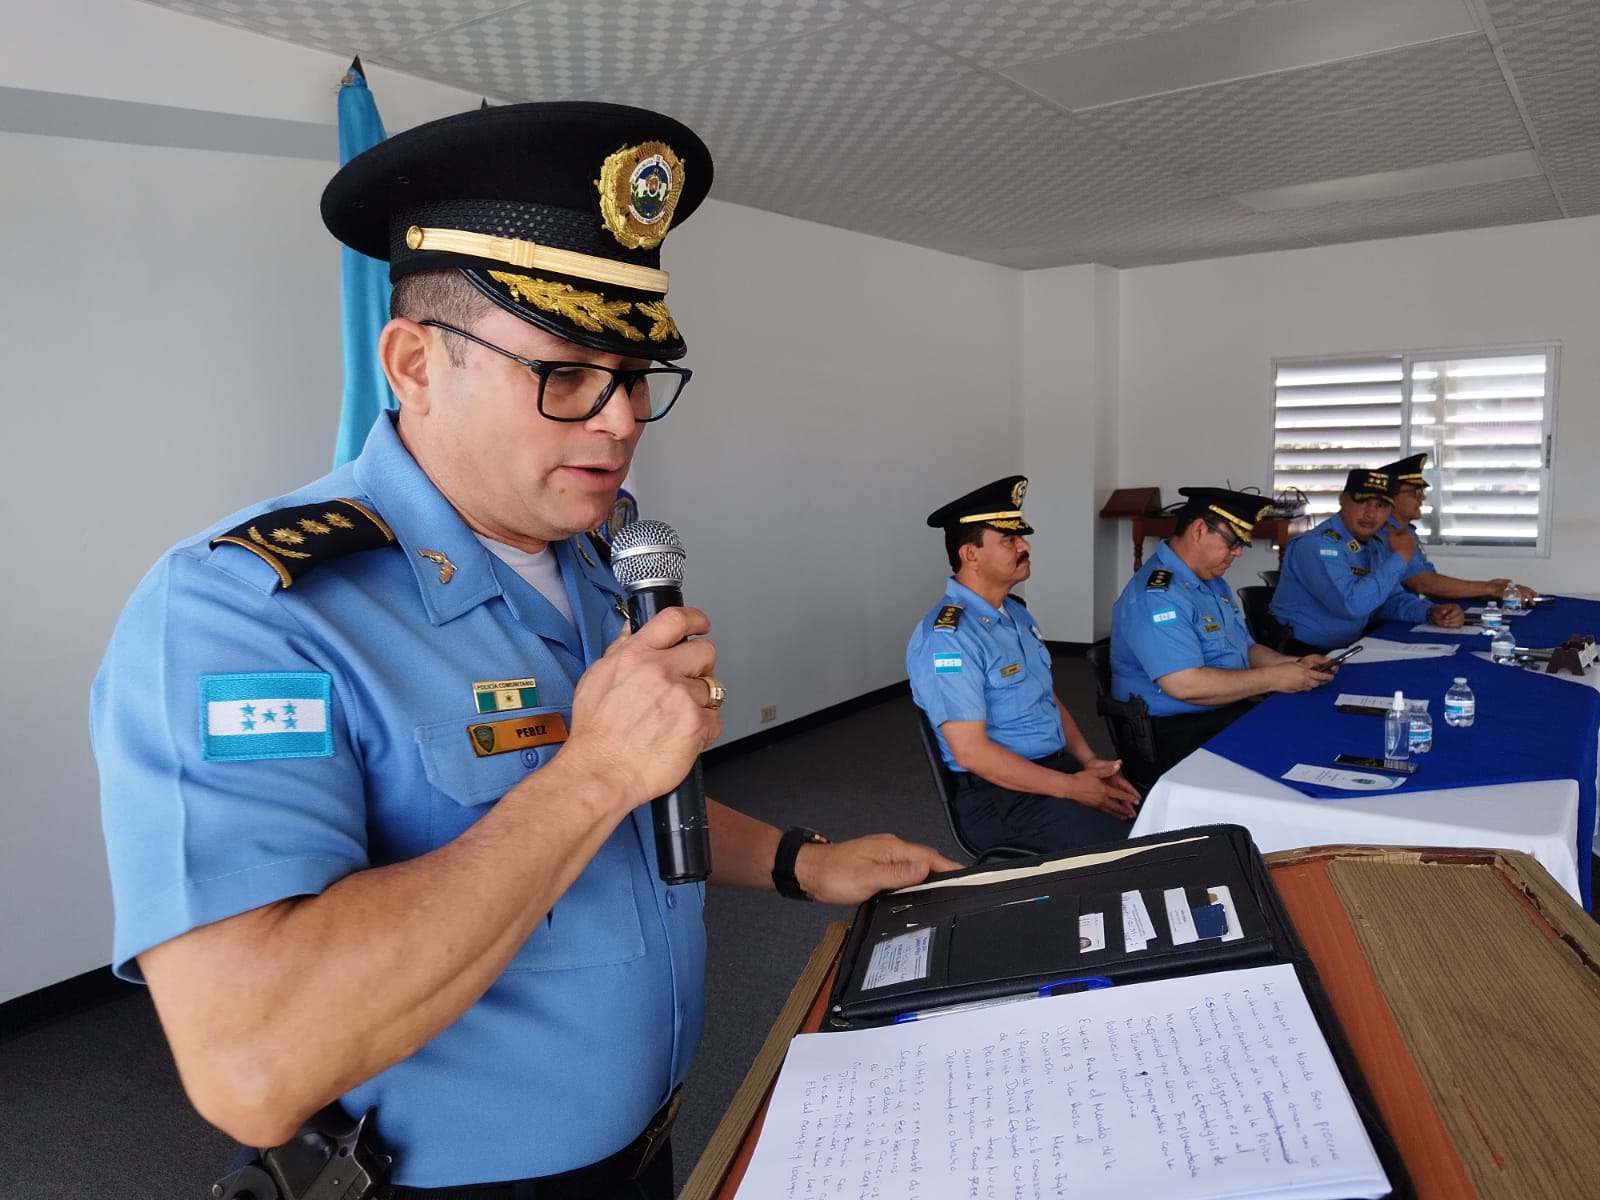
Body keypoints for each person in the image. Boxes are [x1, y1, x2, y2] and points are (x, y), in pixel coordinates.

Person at [89, 101, 960, 1197]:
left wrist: (796, 860)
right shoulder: (245, 612)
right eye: (564, 373)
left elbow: (644, 803)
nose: (617, 421)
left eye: (637, 376)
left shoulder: (598, 556)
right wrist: (591, 770)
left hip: (652, 1142)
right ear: (412, 363)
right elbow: (254, 1064)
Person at [906, 476, 1141, 855]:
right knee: (1129, 848)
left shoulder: (1016, 614)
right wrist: (1072, 788)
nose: (1025, 545)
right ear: (971, 555)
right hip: (999, 797)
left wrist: (1088, 763)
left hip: (1051, 772)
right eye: (1009, 540)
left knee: (1146, 815)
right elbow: (972, 753)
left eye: (1021, 536)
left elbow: (1045, 698)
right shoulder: (947, 637)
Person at [1109, 487, 1337, 780]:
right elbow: (1185, 685)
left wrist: (1293, 665)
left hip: (1221, 712)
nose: (1237, 552)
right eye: (1232, 542)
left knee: (1312, 723)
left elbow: (1246, 648)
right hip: (1173, 731)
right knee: (1297, 752)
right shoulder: (1158, 595)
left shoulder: (1210, 580)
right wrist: (1274, 679)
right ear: (1199, 529)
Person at [1269, 468, 1464, 654]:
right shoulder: (1316, 545)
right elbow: (1352, 606)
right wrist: (1400, 556)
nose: (1371, 513)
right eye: (1363, 502)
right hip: (1301, 654)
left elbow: (1391, 600)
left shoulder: (1373, 544)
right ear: (1342, 499)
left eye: (1381, 505)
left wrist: (1432, 612)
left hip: (1350, 647)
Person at [1377, 452, 1540, 603]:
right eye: (1415, 492)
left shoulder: (1407, 532)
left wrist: (1487, 590)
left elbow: (1430, 580)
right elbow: (1421, 583)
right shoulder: (1384, 534)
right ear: (1390, 497)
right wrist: (1488, 588)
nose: (1423, 497)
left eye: (1422, 491)